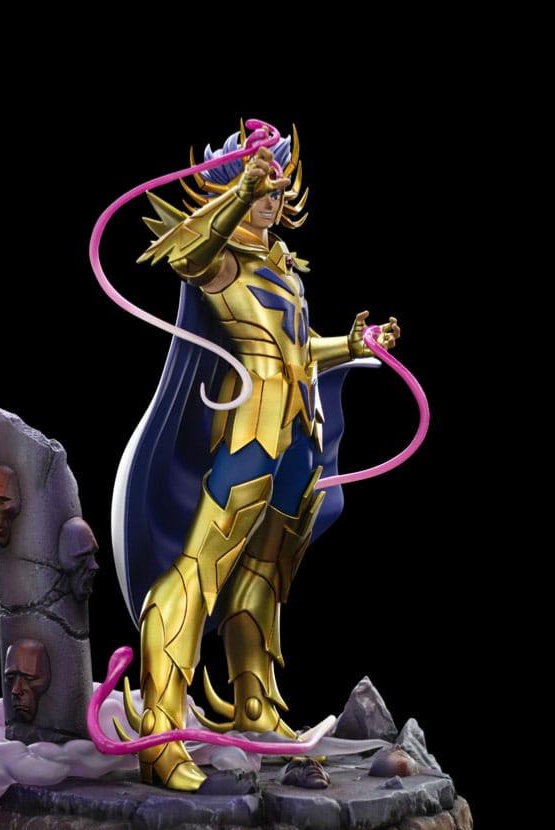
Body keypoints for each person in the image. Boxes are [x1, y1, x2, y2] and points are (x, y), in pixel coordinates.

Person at [112, 125, 399, 791]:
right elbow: (186, 258)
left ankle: (256, 710)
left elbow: (295, 351)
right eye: (260, 183)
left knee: (264, 577)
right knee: (198, 571)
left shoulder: (282, 267)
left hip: (297, 438)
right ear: (232, 185)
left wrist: (352, 345)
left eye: (277, 184)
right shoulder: (221, 260)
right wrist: (239, 193)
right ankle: (161, 737)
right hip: (248, 440)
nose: (272, 196)